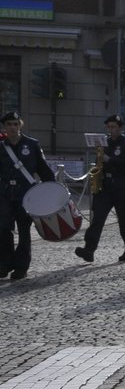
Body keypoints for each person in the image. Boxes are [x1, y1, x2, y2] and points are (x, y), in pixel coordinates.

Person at [0, 111, 59, 280]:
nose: (12, 127)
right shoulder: (1, 146)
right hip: (5, 193)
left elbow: (43, 169)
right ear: (4, 127)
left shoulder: (32, 145)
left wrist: (53, 191)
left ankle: (21, 266)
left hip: (27, 194)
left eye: (15, 124)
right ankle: (4, 264)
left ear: (20, 125)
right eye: (9, 124)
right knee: (4, 229)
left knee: (24, 230)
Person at [76, 114, 125, 263]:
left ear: (120, 128)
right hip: (105, 186)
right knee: (97, 218)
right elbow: (100, 163)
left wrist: (109, 159)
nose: (111, 130)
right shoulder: (104, 143)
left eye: (114, 127)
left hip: (123, 185)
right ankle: (89, 249)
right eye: (109, 127)